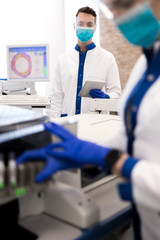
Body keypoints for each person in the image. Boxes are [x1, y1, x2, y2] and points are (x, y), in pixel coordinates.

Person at [16, 0, 160, 239]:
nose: (120, 16)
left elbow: (117, 97)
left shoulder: (108, 58)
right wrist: (85, 151)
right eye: (111, 9)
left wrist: (109, 159)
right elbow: (133, 132)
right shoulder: (145, 63)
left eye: (125, 3)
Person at [49, 6, 121, 119]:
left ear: (95, 28)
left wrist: (106, 97)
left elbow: (116, 93)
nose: (85, 27)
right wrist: (54, 123)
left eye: (89, 24)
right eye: (81, 24)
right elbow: (56, 97)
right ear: (74, 26)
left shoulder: (107, 58)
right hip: (67, 121)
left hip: (96, 122)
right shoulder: (63, 60)